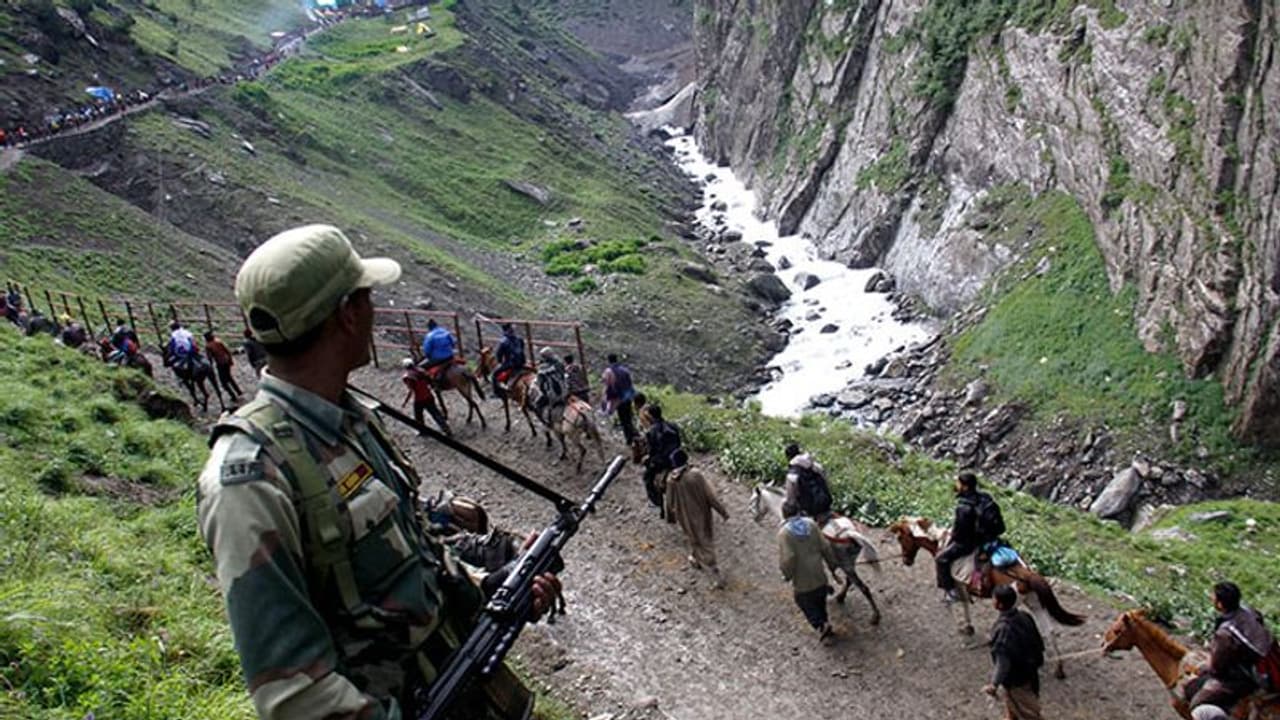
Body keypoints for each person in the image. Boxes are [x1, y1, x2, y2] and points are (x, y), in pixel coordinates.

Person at [197, 224, 553, 720]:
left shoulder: (354, 418)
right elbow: (293, 696)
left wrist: (484, 587)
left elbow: (413, 551)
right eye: (366, 297)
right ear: (347, 315)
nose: (373, 309)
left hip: (470, 691)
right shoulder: (250, 479)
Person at [1185, 581, 1276, 720]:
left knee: (1197, 703)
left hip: (1251, 676)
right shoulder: (1250, 612)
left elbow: (1217, 668)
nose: (1211, 598)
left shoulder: (1225, 634)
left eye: (1213, 597)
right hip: (1270, 663)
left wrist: (1203, 668)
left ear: (1220, 604)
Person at [664, 449, 729, 587]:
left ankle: (695, 558)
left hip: (684, 517)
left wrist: (670, 517)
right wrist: (722, 512)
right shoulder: (695, 475)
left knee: (693, 537)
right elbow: (710, 496)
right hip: (701, 515)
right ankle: (715, 575)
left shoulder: (671, 480)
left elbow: (669, 502)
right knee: (705, 541)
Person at [937, 471, 1003, 603]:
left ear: (965, 486)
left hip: (969, 543)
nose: (956, 485)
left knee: (941, 559)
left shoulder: (963, 507)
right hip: (989, 538)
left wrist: (952, 537)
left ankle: (951, 591)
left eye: (958, 483)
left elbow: (960, 534)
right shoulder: (985, 497)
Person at [983, 584, 1045, 720]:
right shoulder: (1025, 616)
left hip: (1017, 679)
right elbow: (1039, 643)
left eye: (994, 598)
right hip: (1031, 671)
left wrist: (994, 684)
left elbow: (1003, 663)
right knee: (1012, 706)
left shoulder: (1003, 630)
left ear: (998, 604)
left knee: (1029, 713)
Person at [778, 503, 837, 642]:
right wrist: (832, 565)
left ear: (784, 515)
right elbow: (825, 546)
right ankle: (826, 623)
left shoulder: (784, 533)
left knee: (803, 601)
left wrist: (787, 574)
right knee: (820, 600)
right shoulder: (811, 524)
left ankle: (821, 625)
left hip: (802, 578)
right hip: (819, 573)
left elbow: (788, 558)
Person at [641, 404, 682, 518]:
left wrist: (647, 459)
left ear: (651, 416)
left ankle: (656, 503)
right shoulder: (673, 426)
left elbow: (652, 451)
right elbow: (679, 442)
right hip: (677, 458)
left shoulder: (651, 432)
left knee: (647, 478)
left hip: (662, 462)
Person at [783, 443, 833, 519]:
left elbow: (791, 500)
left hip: (810, 510)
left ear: (788, 457)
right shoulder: (816, 465)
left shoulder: (792, 474)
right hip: (826, 504)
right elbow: (827, 481)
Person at [402, 357, 449, 434]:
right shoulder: (422, 371)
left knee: (418, 415)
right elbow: (430, 381)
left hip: (419, 399)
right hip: (429, 396)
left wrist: (405, 401)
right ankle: (446, 428)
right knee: (436, 413)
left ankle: (422, 431)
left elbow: (411, 390)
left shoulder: (408, 377)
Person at [601, 353, 637, 444]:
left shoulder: (608, 371)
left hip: (617, 399)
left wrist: (605, 400)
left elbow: (607, 386)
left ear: (608, 361)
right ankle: (633, 435)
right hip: (627, 397)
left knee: (623, 419)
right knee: (628, 418)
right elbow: (630, 384)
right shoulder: (625, 370)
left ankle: (629, 439)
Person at [204, 330, 244, 401]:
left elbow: (209, 358)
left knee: (223, 382)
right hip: (226, 360)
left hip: (220, 363)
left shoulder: (208, 346)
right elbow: (227, 350)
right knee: (229, 377)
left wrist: (210, 366)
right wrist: (230, 360)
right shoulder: (218, 342)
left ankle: (233, 396)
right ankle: (238, 391)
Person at [491, 323, 526, 399]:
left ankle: (497, 393)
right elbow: (522, 348)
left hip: (511, 364)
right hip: (522, 362)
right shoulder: (519, 339)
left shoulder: (503, 341)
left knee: (494, 375)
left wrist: (500, 362)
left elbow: (499, 354)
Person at [532, 347, 566, 422]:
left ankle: (545, 423)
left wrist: (542, 391)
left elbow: (540, 384)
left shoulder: (542, 369)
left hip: (552, 395)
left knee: (537, 404)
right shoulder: (560, 363)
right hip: (565, 390)